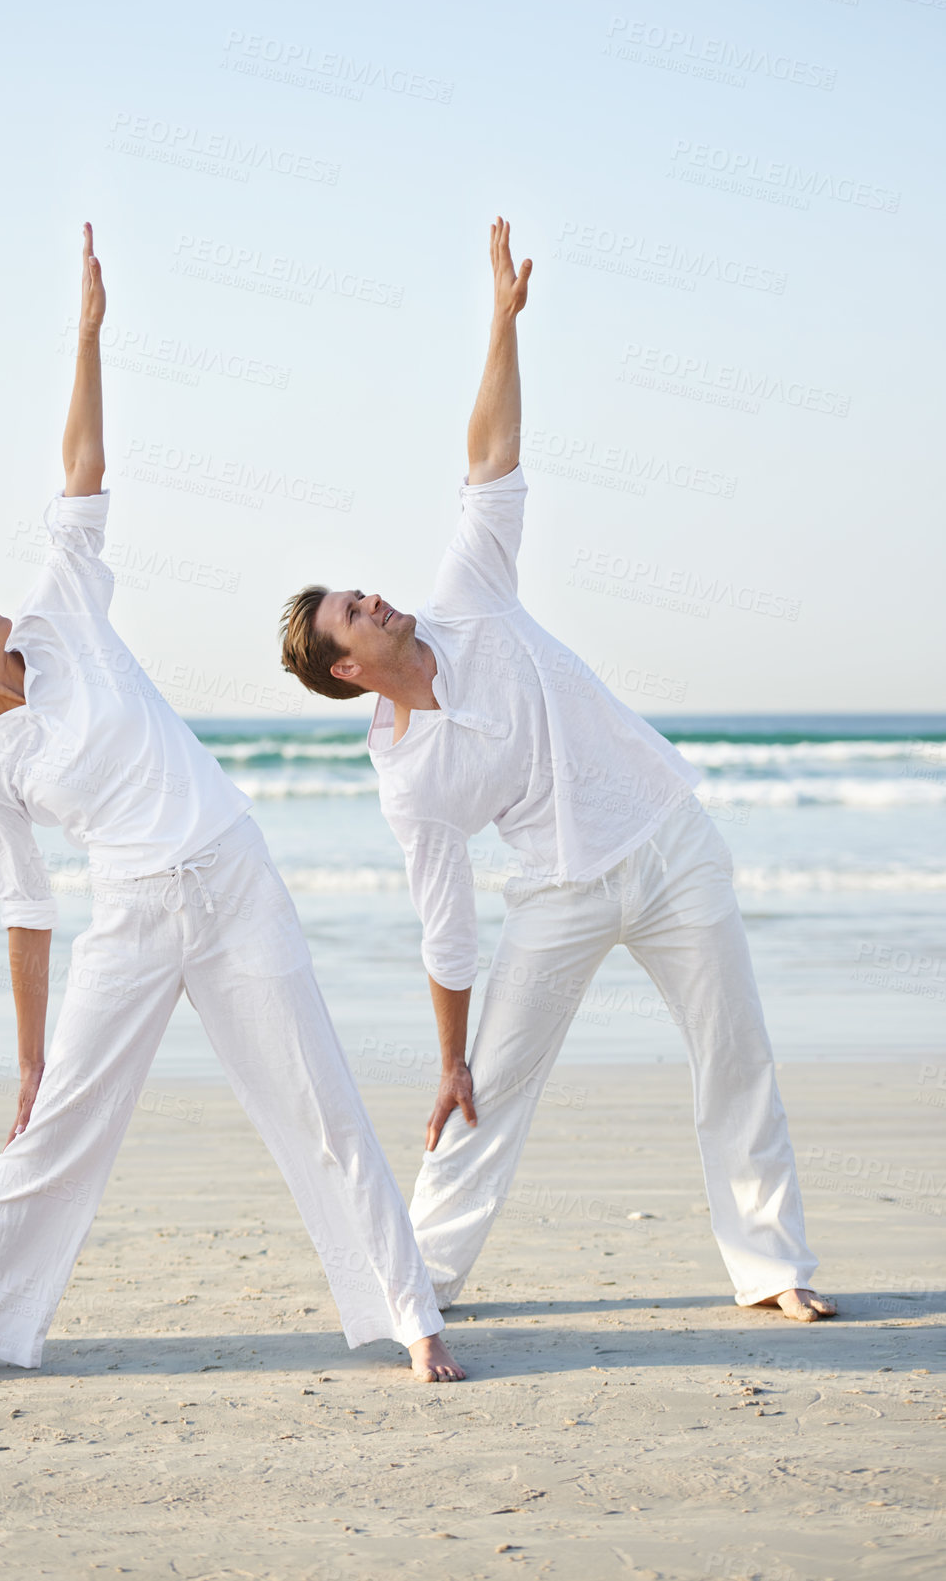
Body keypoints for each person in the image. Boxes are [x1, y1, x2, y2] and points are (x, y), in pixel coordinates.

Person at [0, 225, 464, 1384]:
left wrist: (88, 336)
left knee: (323, 1102)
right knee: (51, 1133)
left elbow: (79, 479)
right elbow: (23, 909)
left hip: (234, 878)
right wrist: (31, 1057)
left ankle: (412, 1315)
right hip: (132, 917)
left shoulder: (63, 610)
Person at [278, 218, 836, 1326]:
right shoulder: (408, 778)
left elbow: (489, 462)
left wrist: (500, 324)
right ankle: (422, 1280)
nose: (376, 596)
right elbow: (444, 924)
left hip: (669, 839)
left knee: (736, 1056)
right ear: (348, 667)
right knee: (488, 1090)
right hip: (560, 894)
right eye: (355, 611)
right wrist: (446, 1056)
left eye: (362, 589)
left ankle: (771, 1266)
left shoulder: (467, 594)